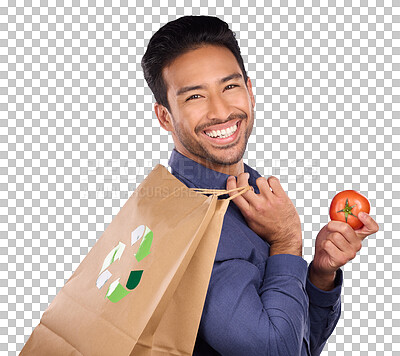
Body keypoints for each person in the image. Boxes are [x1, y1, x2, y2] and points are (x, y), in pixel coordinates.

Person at [141, 15, 379, 355]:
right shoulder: (193, 225)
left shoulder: (246, 187)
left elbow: (299, 344)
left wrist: (319, 278)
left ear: (250, 91)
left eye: (230, 86)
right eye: (195, 97)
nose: (221, 110)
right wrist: (287, 242)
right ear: (165, 116)